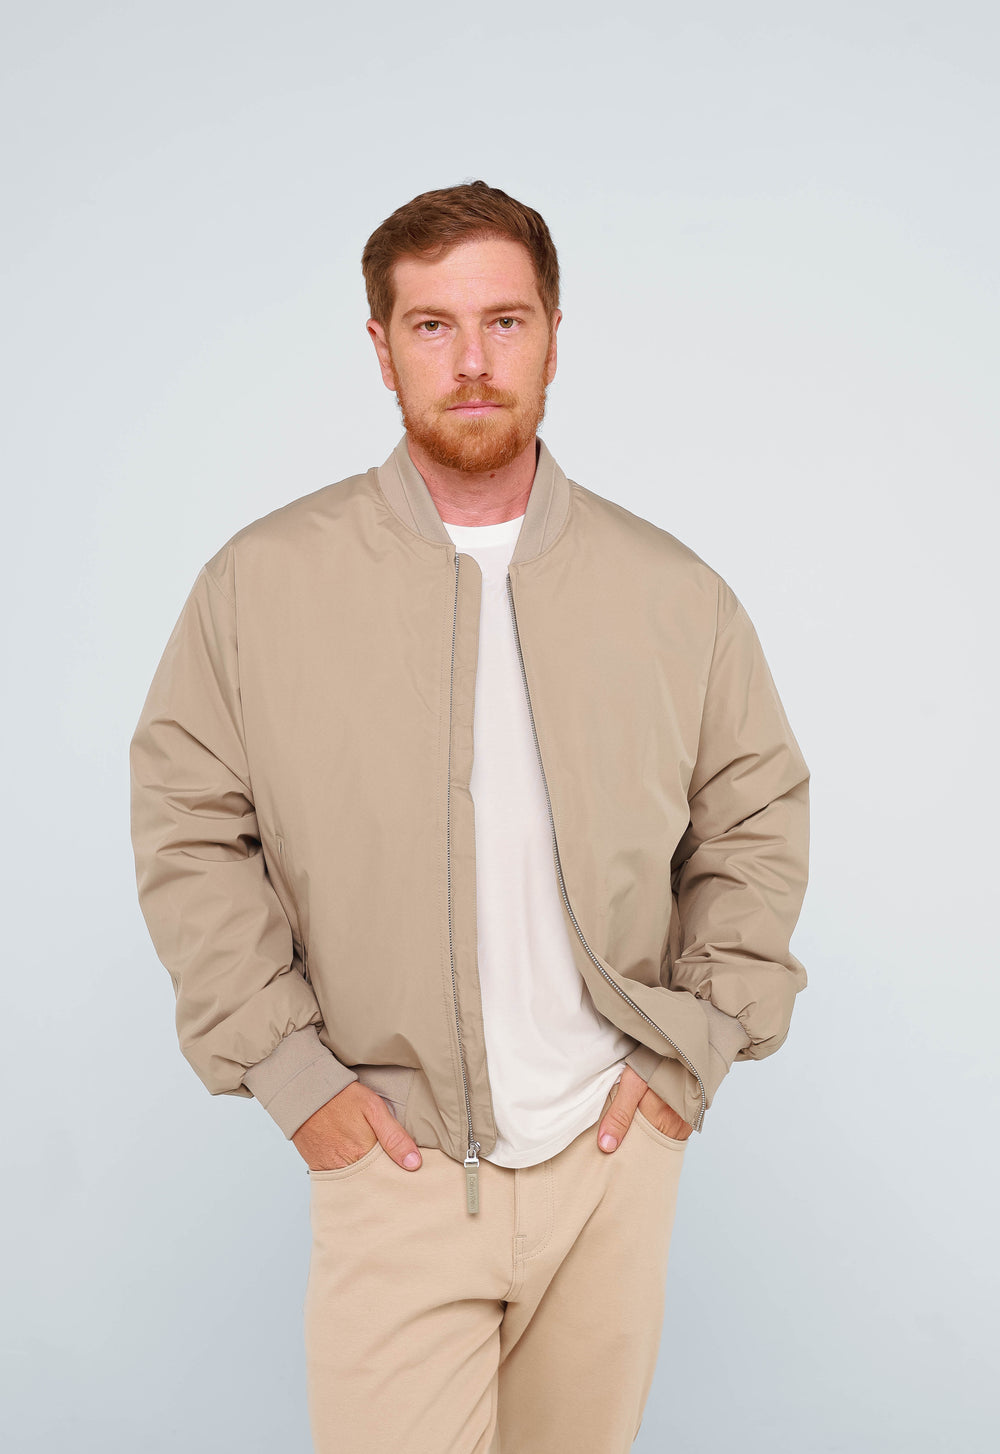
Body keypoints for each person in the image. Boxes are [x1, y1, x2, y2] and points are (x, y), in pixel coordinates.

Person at [129, 180, 810, 1454]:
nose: (474, 360)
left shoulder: (673, 592)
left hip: (611, 1152)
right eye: (432, 325)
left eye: (505, 320)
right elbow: (188, 823)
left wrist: (691, 1049)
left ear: (553, 336)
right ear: (380, 349)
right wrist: (292, 1074)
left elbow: (753, 814)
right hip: (395, 1159)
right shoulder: (261, 583)